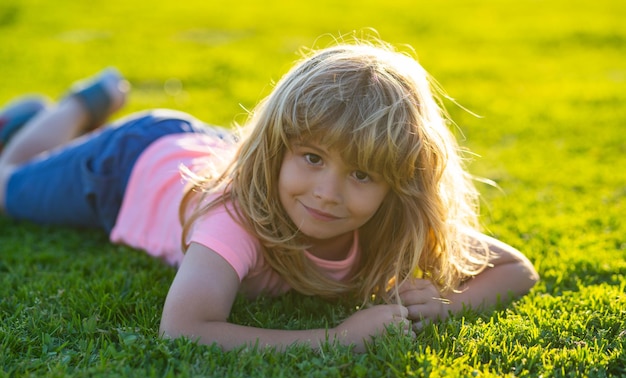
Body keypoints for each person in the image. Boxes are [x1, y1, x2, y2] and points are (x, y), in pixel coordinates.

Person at [0, 39, 539, 352]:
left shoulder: (390, 222)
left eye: (362, 175)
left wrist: (447, 305)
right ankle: (78, 106)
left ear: (398, 183)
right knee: (8, 181)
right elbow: (184, 328)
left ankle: (37, 119)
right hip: (125, 168)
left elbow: (517, 269)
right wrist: (337, 337)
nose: (328, 195)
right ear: (279, 148)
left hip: (204, 147)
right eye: (312, 158)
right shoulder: (232, 219)